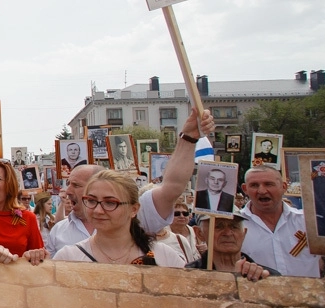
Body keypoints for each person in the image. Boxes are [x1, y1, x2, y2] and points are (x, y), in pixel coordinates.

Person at [48, 109, 215, 256]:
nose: (67, 191)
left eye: (110, 203)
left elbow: (172, 187)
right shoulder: (61, 238)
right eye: (91, 201)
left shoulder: (138, 216)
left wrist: (188, 138)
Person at [53, 170, 186, 266]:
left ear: (134, 209)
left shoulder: (164, 256)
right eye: (92, 201)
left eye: (110, 203)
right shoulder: (68, 257)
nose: (98, 210)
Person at [238, 164, 325, 278]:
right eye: (254, 185)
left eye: (269, 184)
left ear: (284, 187)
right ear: (245, 189)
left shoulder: (310, 221)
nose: (262, 190)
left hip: (307, 289)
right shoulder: (234, 225)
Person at [185, 212, 277, 279]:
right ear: (199, 233)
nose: (228, 233)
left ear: (244, 233)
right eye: (218, 227)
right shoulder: (187, 275)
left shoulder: (268, 277)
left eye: (234, 227)